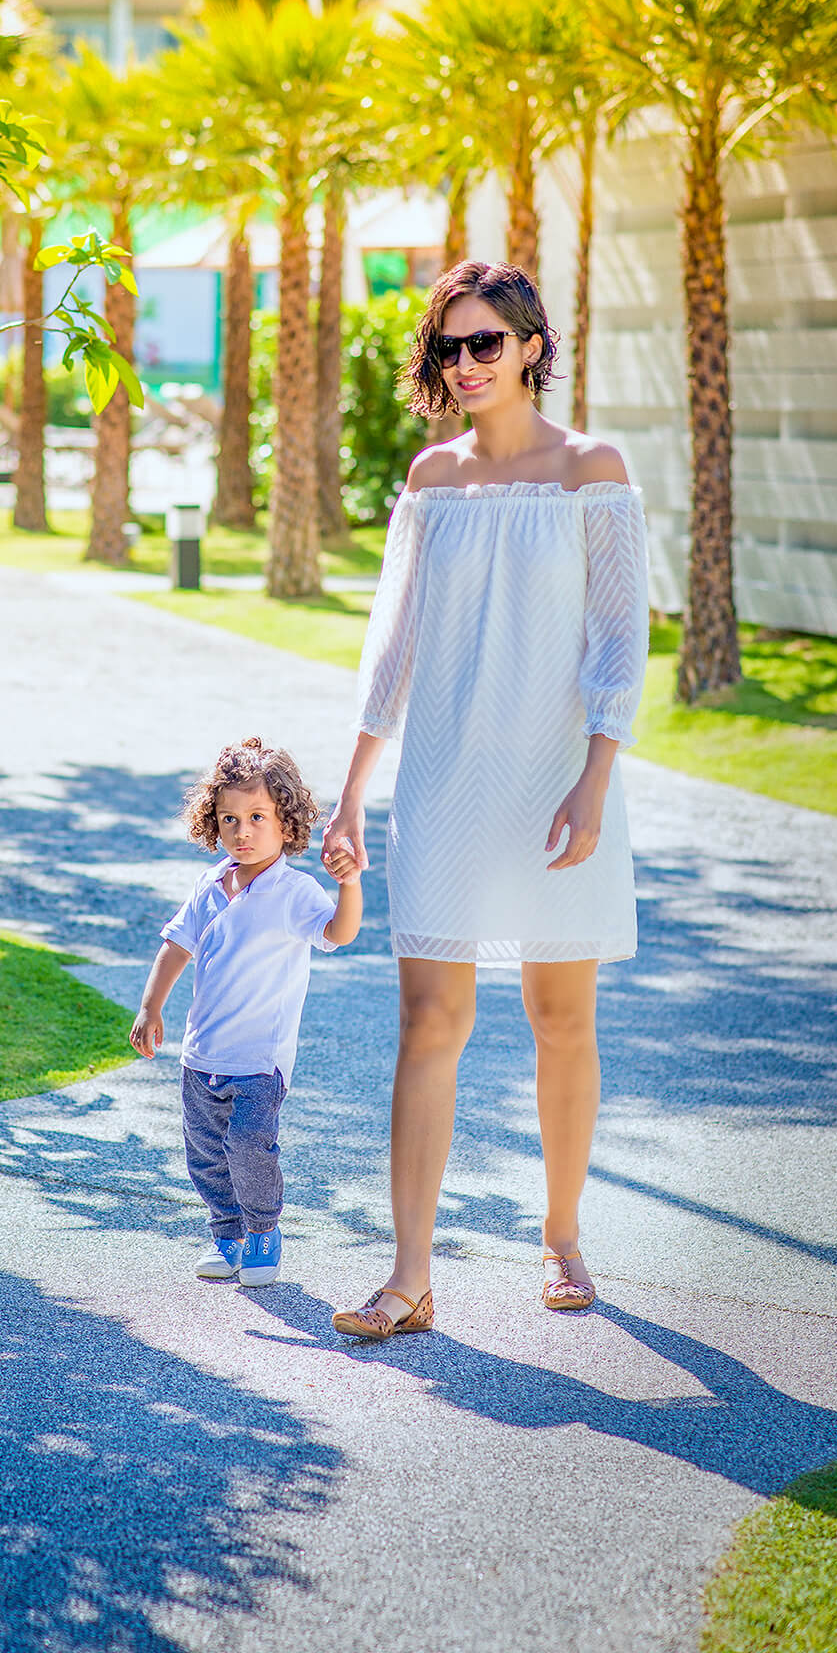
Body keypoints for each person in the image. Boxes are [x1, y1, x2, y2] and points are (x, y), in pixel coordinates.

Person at [323, 259, 648, 1341]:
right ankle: (409, 1276)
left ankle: (560, 1235)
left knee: (560, 1016)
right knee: (428, 1018)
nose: (464, 364)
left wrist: (595, 774)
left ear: (529, 348)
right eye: (448, 346)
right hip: (447, 780)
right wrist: (351, 792)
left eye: (485, 343)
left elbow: (617, 639)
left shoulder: (589, 467)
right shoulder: (429, 478)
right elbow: (391, 645)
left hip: (558, 777)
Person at [131, 737, 363, 1285]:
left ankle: (262, 1231)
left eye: (258, 816)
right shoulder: (209, 883)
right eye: (229, 818)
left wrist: (348, 882)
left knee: (247, 1148)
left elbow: (340, 933)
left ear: (287, 822)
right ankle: (227, 1234)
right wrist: (150, 1007)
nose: (243, 831)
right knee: (206, 1156)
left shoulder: (294, 891)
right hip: (201, 1054)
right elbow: (176, 947)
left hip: (261, 1060)